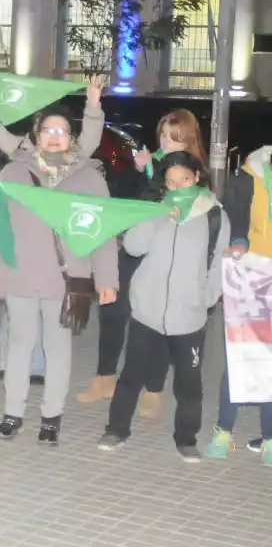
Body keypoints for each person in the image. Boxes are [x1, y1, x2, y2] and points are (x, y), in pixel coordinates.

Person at [0, 101, 118, 447]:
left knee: (57, 350)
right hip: (21, 277)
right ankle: (12, 413)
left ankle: (51, 417)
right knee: (18, 347)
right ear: (36, 135)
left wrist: (107, 280)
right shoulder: (13, 172)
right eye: (48, 130)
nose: (55, 137)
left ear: (73, 138)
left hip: (65, 280)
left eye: (62, 131)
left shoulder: (89, 178)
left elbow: (103, 234)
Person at [98, 152, 226, 461]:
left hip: (189, 315)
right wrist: (155, 216)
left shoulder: (214, 214)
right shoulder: (156, 208)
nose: (178, 187)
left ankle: (186, 437)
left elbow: (219, 263)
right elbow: (132, 246)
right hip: (147, 311)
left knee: (188, 383)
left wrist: (205, 299)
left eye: (184, 180)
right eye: (171, 182)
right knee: (132, 375)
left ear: (197, 177)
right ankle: (116, 429)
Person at [78, 109, 205, 410]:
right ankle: (104, 378)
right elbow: (125, 198)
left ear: (189, 140)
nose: (168, 143)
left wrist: (154, 175)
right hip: (134, 246)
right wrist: (139, 171)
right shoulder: (150, 161)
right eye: (163, 136)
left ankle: (154, 389)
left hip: (166, 257)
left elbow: (188, 211)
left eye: (175, 138)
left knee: (157, 319)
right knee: (112, 309)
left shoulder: (194, 172)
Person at [203, 145, 272, 464]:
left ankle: (270, 436)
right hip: (253, 275)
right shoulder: (249, 176)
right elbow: (234, 216)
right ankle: (224, 430)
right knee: (242, 353)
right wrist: (238, 240)